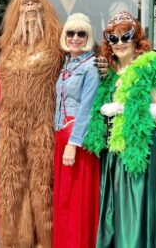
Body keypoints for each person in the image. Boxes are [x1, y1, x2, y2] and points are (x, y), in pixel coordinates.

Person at [83, 11, 156, 248]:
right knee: (113, 213)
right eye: (112, 38)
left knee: (134, 213)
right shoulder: (109, 73)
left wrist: (121, 108)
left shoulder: (150, 67)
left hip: (138, 155)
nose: (119, 43)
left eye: (125, 36)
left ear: (136, 38)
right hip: (113, 156)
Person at [0, 0, 64, 247]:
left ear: (44, 6)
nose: (31, 6)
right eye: (25, 3)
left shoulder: (58, 40)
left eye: (36, 1)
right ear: (17, 9)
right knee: (12, 184)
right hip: (11, 125)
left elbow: (84, 55)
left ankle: (46, 239)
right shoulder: (5, 44)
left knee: (43, 183)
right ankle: (15, 240)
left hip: (43, 123)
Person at [52, 13, 100, 248]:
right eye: (71, 33)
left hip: (76, 142)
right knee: (64, 199)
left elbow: (87, 109)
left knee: (76, 200)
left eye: (82, 34)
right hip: (61, 136)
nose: (75, 38)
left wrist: (73, 143)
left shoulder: (91, 66)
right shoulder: (66, 63)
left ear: (88, 37)